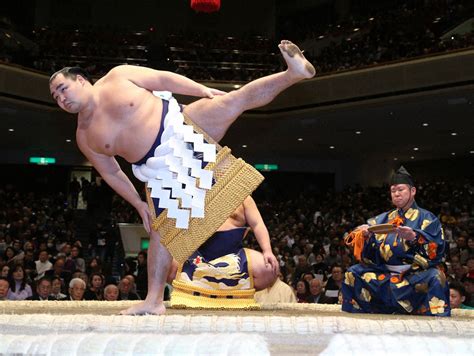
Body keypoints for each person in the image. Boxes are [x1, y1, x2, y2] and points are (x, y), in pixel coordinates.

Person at [49, 40, 314, 315]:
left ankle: (292, 74)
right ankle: (153, 300)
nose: (61, 98)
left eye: (62, 88)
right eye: (55, 97)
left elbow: (163, 79)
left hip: (182, 128)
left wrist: (199, 89)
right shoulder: (84, 136)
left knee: (233, 101)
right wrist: (139, 204)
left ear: (80, 80)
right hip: (158, 174)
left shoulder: (118, 76)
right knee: (160, 233)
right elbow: (112, 172)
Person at [342, 167, 449, 316]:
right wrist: (366, 238)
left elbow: (437, 252)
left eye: (400, 189)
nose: (396, 194)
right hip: (384, 273)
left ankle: (436, 321)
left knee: (436, 276)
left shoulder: (428, 219)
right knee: (353, 273)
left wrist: (414, 238)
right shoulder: (380, 220)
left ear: (413, 191)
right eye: (393, 191)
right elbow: (369, 258)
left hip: (413, 275)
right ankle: (359, 320)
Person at [169, 196, 279, 307]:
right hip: (197, 254)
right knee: (165, 263)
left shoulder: (244, 198)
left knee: (269, 268)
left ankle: (233, 293)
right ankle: (200, 290)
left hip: (235, 257)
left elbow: (257, 224)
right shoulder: (194, 192)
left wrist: (267, 250)